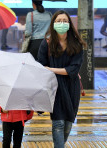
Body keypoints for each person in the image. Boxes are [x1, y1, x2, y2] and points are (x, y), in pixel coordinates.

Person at [37, 10, 86, 148]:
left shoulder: (76, 44)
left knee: (68, 125)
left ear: (69, 24)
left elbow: (74, 69)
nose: (61, 23)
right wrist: (64, 71)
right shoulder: (47, 43)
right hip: (54, 87)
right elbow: (41, 66)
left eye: (65, 21)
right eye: (58, 21)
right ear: (53, 24)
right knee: (58, 124)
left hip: (72, 87)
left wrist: (51, 69)